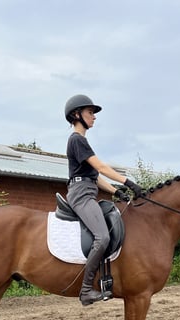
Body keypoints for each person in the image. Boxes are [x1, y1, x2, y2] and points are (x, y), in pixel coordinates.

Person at [64, 94, 144, 306]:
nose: (94, 117)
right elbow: (101, 167)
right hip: (81, 194)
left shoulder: (82, 141)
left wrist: (115, 192)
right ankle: (86, 290)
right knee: (102, 237)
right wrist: (129, 182)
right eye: (90, 112)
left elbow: (95, 177)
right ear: (76, 115)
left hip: (87, 189)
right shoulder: (77, 140)